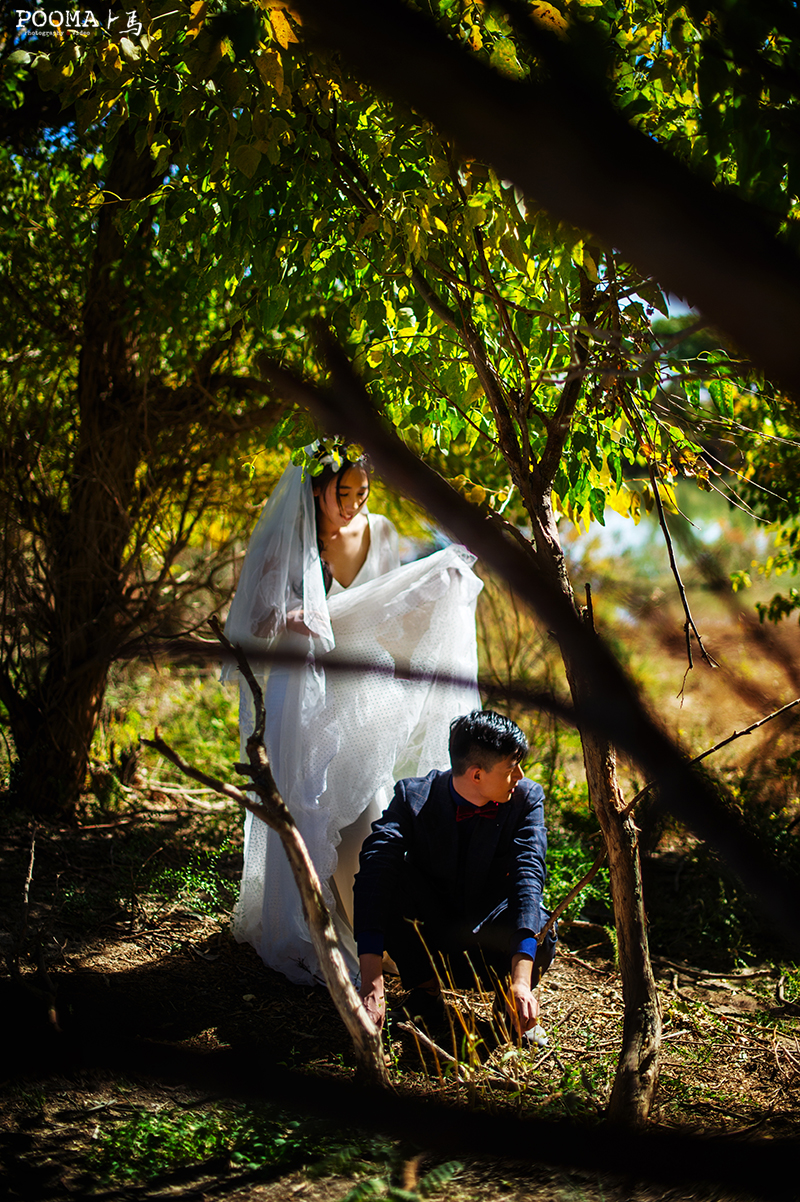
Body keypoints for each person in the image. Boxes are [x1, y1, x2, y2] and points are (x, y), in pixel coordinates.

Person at [222, 447, 483, 986]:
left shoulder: (381, 532)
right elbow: (252, 622)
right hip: (305, 690)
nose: (354, 505)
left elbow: (390, 606)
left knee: (365, 807)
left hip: (362, 686)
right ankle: (314, 924)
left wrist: (441, 584)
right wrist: (290, 618)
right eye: (343, 494)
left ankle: (379, 933)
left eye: (363, 493)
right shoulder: (289, 537)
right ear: (317, 488)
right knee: (310, 802)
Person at [354, 710, 556, 1035]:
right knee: (384, 875)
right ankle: (426, 993)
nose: (520, 775)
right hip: (432, 936)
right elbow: (374, 869)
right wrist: (371, 984)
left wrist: (521, 981)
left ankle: (511, 1001)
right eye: (511, 768)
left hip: (492, 938)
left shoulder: (526, 799)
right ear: (476, 775)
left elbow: (528, 875)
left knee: (542, 922)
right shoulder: (412, 796)